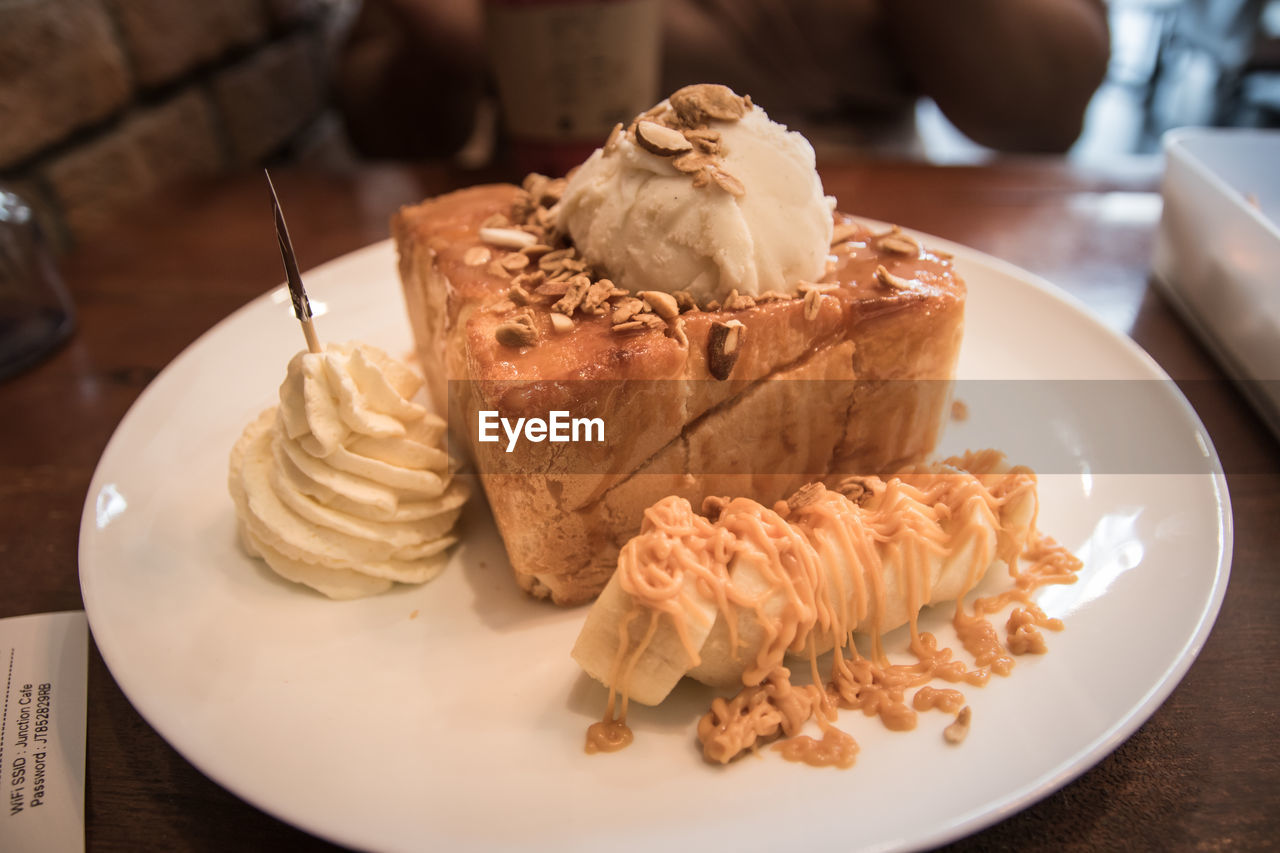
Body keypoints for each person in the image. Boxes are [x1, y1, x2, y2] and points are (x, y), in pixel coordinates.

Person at [335, 0, 1110, 159]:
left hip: (860, 205)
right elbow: (380, 126)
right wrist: (464, 48)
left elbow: (1045, 110)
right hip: (549, 194)